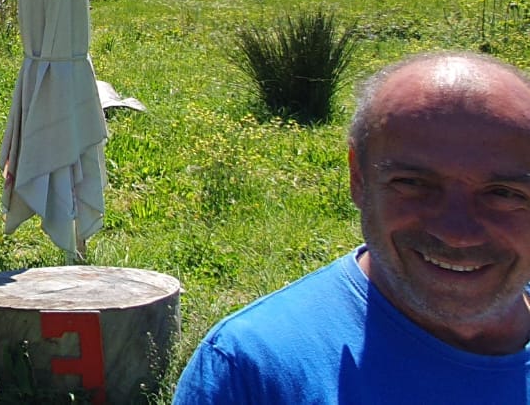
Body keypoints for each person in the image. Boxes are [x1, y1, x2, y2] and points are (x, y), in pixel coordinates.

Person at [173, 51, 530, 403]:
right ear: (358, 179)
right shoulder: (254, 368)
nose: (456, 232)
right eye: (413, 183)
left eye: (502, 193)